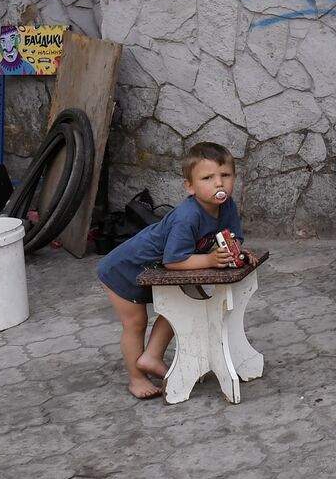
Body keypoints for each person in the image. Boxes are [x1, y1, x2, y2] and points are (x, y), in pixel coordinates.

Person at [97, 142, 245, 399]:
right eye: (208, 178)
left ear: (235, 178)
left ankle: (152, 357)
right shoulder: (188, 216)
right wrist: (210, 260)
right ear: (190, 186)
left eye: (225, 176)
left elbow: (231, 236)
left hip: (159, 271)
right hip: (124, 269)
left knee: (183, 303)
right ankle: (136, 377)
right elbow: (174, 261)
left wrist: (237, 251)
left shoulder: (227, 206)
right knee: (135, 323)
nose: (218, 184)